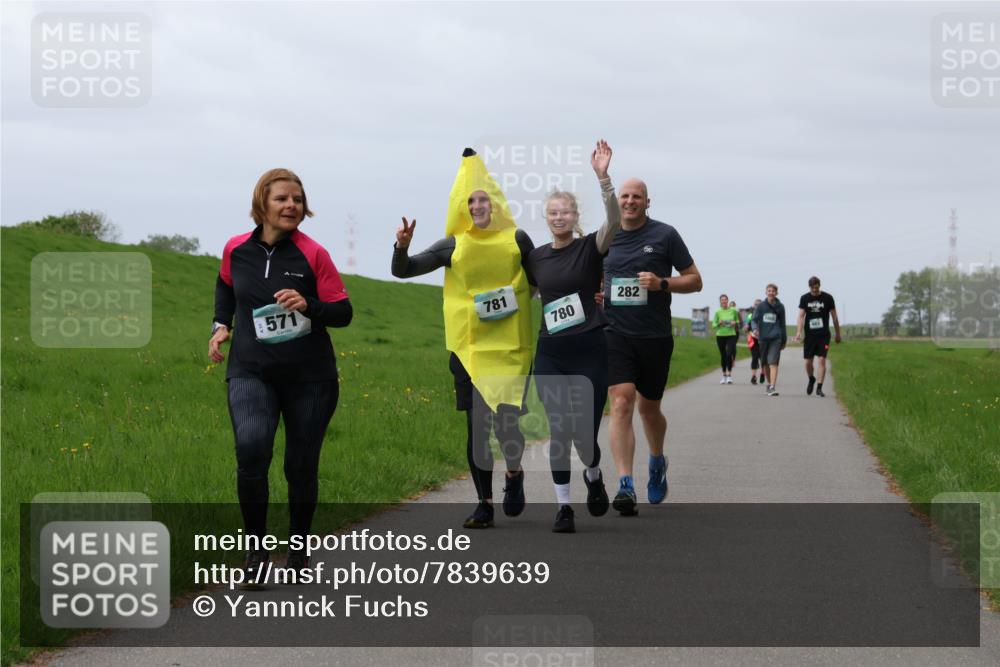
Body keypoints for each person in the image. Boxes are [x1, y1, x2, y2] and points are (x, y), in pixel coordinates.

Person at [209, 168, 353, 586]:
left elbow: (343, 313)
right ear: (262, 205)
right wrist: (221, 325)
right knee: (252, 451)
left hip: (310, 378)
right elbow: (224, 286)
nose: (291, 205)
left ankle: (299, 551)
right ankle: (256, 555)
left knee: (300, 465)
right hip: (250, 370)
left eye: (297, 199)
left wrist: (309, 304)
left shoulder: (313, 254)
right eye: (282, 199)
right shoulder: (236, 249)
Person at [392, 148, 534, 529]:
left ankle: (515, 474)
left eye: (483, 199)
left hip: (509, 351)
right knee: (477, 427)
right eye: (470, 200)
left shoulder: (517, 239)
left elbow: (542, 278)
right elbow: (404, 271)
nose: (476, 205)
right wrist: (401, 246)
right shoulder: (451, 245)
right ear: (461, 206)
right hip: (469, 350)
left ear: (496, 203)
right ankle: (484, 503)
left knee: (507, 427)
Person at [528, 140, 619, 533]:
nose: (559, 216)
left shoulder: (589, 248)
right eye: (552, 212)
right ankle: (564, 507)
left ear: (574, 215)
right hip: (551, 352)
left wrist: (603, 178)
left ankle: (594, 474)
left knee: (584, 435)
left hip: (589, 352)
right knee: (559, 431)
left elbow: (613, 222)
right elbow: (520, 294)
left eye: (565, 211)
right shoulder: (536, 257)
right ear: (546, 218)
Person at [603, 178, 703, 515]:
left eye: (637, 197)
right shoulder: (606, 236)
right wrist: (598, 294)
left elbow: (695, 280)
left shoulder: (665, 235)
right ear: (618, 202)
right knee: (620, 401)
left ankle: (657, 460)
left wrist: (662, 283)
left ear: (648, 202)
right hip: (615, 334)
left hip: (654, 337)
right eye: (625, 196)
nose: (630, 201)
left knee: (649, 410)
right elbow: (593, 277)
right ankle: (625, 484)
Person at [793, 276, 842, 397]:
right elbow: (801, 316)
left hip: (823, 335)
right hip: (810, 335)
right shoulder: (805, 298)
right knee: (808, 362)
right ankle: (811, 379)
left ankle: (819, 387)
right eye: (812, 288)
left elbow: (834, 317)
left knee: (821, 360)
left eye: (816, 288)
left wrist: (837, 333)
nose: (814, 290)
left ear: (819, 286)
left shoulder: (828, 298)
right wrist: (798, 332)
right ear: (809, 287)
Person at [751, 284, 787, 397]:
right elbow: (754, 320)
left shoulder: (780, 307)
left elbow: (782, 325)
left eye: (773, 291)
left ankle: (772, 386)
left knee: (773, 362)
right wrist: (755, 329)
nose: (771, 292)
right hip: (763, 338)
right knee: (765, 364)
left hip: (776, 338)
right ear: (766, 292)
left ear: (776, 293)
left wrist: (784, 340)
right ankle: (769, 383)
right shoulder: (761, 306)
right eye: (769, 291)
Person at [711, 294, 739, 384]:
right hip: (720, 335)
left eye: (725, 299)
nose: (724, 301)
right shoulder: (717, 312)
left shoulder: (733, 311)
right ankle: (724, 376)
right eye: (722, 300)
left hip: (731, 334)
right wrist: (719, 323)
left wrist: (735, 322)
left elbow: (737, 321)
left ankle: (729, 375)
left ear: (727, 301)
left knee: (728, 354)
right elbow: (713, 325)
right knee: (723, 355)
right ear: (720, 301)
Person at [745, 298, 765, 384]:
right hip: (753, 338)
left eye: (759, 304)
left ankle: (763, 373)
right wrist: (746, 329)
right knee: (755, 357)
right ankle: (753, 376)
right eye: (756, 304)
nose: (757, 306)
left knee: (763, 358)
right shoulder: (750, 316)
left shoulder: (765, 314)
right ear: (754, 306)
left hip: (763, 339)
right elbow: (746, 327)